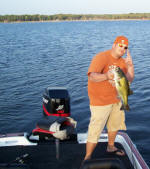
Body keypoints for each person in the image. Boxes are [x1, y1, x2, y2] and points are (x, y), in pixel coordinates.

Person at [84, 36, 134, 160]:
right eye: (120, 45)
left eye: (125, 47)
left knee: (114, 126)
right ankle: (87, 156)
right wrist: (106, 75)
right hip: (100, 101)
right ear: (114, 45)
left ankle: (111, 146)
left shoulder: (123, 62)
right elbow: (92, 76)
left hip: (117, 100)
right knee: (95, 130)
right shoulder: (101, 57)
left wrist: (131, 66)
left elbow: (129, 79)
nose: (122, 49)